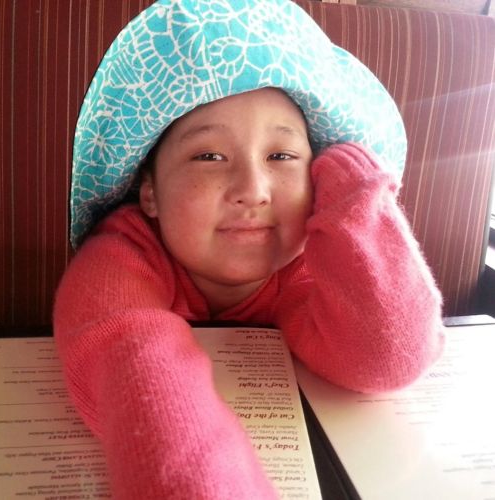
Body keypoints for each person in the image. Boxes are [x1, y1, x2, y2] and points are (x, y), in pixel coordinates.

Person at [53, 0, 445, 498]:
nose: (253, 188)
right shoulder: (119, 258)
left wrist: (355, 191)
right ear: (149, 191)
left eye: (282, 155)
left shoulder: (307, 268)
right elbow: (137, 370)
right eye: (209, 156)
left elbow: (388, 358)